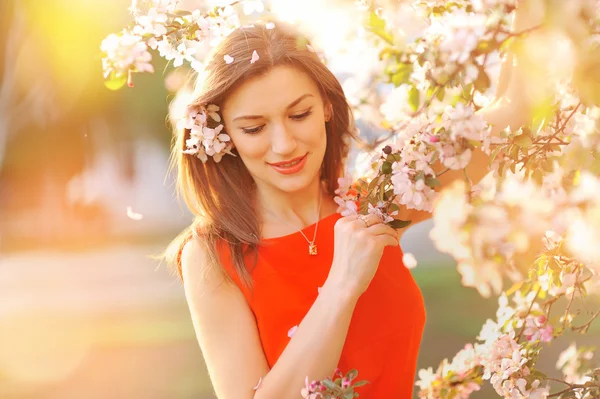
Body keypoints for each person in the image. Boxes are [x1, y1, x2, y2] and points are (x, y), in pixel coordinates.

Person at [163, 5, 538, 397]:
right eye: (255, 128)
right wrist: (342, 284)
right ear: (225, 136)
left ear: (326, 106)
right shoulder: (212, 255)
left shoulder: (379, 200)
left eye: (300, 114)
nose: (284, 144)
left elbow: (515, 113)